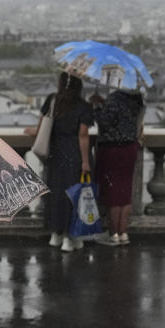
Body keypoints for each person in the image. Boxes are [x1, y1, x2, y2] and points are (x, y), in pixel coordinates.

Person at [26, 72, 94, 252]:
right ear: (79, 87)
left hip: (55, 154)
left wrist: (32, 132)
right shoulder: (84, 107)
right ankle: (71, 237)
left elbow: (42, 127)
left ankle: (56, 234)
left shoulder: (52, 100)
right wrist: (86, 161)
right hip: (74, 155)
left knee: (56, 195)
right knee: (73, 196)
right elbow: (83, 135)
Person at [91, 89, 145, 245]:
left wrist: (96, 106)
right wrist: (104, 102)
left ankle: (113, 234)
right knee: (124, 191)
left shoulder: (114, 98)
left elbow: (104, 123)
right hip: (129, 148)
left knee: (113, 193)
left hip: (112, 148)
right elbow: (123, 117)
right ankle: (123, 234)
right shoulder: (136, 98)